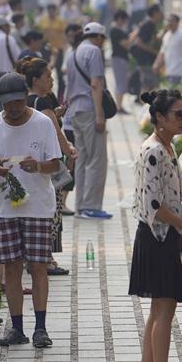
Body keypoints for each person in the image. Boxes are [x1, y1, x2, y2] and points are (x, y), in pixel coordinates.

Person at [0, 73, 62, 349]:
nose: (12, 109)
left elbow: (56, 165)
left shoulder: (42, 123)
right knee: (11, 267)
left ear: (26, 97)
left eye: (17, 103)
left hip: (38, 205)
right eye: (7, 104)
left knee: (37, 266)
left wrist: (37, 165)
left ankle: (41, 327)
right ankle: (16, 327)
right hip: (5, 208)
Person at [130, 90, 182, 362]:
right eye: (178, 115)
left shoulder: (166, 145)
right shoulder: (154, 150)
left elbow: (168, 195)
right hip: (158, 237)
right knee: (164, 310)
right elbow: (155, 205)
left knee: (158, 310)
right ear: (159, 118)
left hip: (160, 235)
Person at [20, 57, 76, 274]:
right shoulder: (42, 103)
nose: (52, 80)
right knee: (51, 211)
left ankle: (34, 256)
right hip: (48, 162)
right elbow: (55, 130)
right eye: (48, 76)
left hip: (32, 161)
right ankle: (46, 259)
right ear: (35, 80)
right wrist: (69, 151)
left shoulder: (27, 100)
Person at [65, 22, 112, 220]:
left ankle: (81, 206)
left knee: (83, 160)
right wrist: (100, 114)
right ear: (99, 37)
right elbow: (95, 84)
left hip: (75, 112)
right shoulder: (94, 52)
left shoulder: (72, 53)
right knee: (97, 159)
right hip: (90, 110)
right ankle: (91, 206)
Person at [129, 5, 163, 94]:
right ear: (155, 13)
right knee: (147, 84)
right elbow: (139, 42)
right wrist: (154, 51)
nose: (161, 14)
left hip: (148, 59)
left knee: (150, 84)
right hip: (145, 60)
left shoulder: (152, 24)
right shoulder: (147, 24)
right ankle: (144, 104)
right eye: (159, 12)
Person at [154, 14, 182, 85]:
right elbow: (162, 52)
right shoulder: (166, 36)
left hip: (180, 72)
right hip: (169, 72)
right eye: (168, 21)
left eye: (172, 21)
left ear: (177, 23)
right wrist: (157, 64)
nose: (170, 23)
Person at [109, 10, 131, 113]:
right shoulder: (116, 30)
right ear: (119, 19)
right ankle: (118, 106)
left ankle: (119, 105)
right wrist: (134, 37)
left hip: (119, 58)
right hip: (119, 58)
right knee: (121, 82)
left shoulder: (117, 29)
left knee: (120, 82)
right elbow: (125, 44)